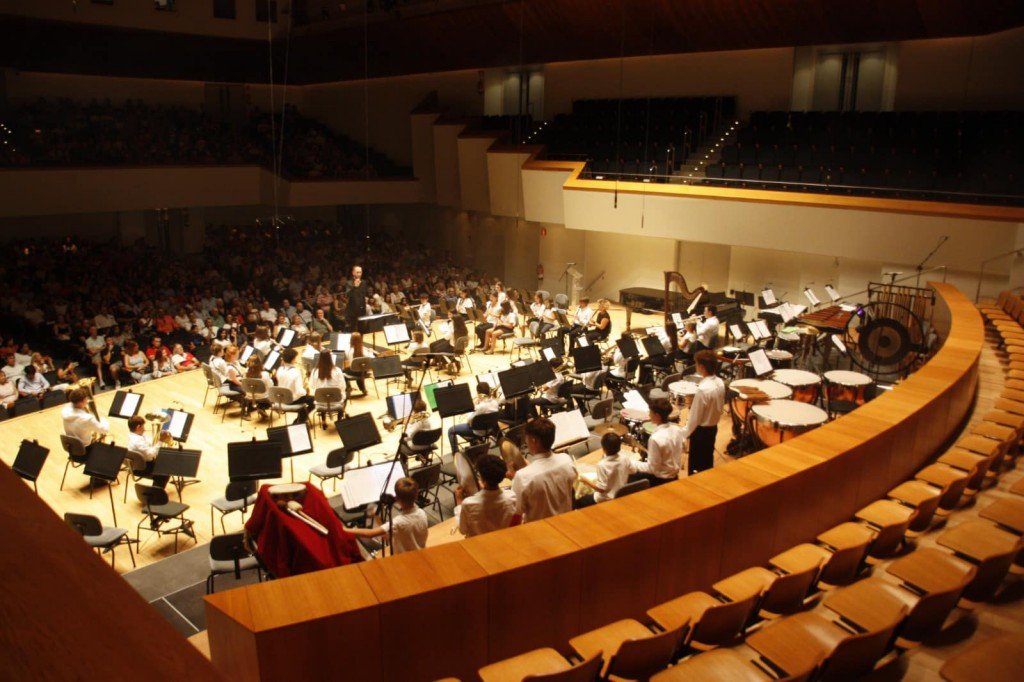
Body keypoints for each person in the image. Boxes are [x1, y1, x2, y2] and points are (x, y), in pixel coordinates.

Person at [510, 417, 576, 522]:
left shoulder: (522, 476)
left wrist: (515, 479)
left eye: (526, 438)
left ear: (533, 441)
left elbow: (516, 515)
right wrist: (527, 470)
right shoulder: (567, 460)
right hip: (566, 521)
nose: (525, 442)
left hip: (540, 529)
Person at [347, 477, 428, 555]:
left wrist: (345, 529)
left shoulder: (398, 522)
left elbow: (371, 533)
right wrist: (377, 517)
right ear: (416, 495)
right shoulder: (422, 513)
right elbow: (390, 535)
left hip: (402, 560)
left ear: (397, 499)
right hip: (419, 554)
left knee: (364, 541)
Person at [680, 350, 726, 474]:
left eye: (697, 364)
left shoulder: (703, 390)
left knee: (696, 467)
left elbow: (695, 418)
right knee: (707, 462)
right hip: (712, 428)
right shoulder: (720, 382)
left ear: (702, 367)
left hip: (700, 433)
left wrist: (684, 434)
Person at [454, 454, 517, 537]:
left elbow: (463, 530)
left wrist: (459, 501)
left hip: (480, 543)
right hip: (505, 540)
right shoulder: (512, 496)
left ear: (482, 477)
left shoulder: (468, 503)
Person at [627, 397, 684, 487]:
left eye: (650, 412)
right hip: (674, 475)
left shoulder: (655, 439)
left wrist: (631, 463)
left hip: (659, 480)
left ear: (657, 416)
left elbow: (652, 469)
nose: (649, 415)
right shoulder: (677, 429)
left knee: (627, 474)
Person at [575, 432, 631, 508]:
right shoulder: (625, 458)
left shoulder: (602, 465)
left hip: (606, 499)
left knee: (579, 502)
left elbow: (601, 489)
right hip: (620, 494)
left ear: (603, 448)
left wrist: (585, 481)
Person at [447, 381, 500, 453]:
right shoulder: (495, 402)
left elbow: (469, 421)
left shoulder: (480, 407)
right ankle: (476, 442)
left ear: (478, 393)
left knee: (451, 430)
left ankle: (456, 453)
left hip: (477, 431)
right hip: (490, 429)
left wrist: (472, 408)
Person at [126, 415, 169, 487]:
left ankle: (156, 488)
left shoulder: (133, 435)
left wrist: (157, 437)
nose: (144, 429)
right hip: (142, 468)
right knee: (166, 470)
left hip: (138, 463)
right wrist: (160, 441)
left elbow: (147, 442)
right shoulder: (137, 442)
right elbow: (151, 454)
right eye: (143, 427)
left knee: (164, 460)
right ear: (138, 427)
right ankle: (155, 491)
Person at [275, 348, 314, 424]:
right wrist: (305, 389)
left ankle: (299, 419)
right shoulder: (296, 372)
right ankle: (299, 421)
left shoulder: (279, 369)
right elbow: (299, 392)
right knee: (314, 401)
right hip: (292, 400)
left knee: (306, 400)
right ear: (293, 359)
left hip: (282, 399)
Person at [345, 265, 367, 331]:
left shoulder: (364, 282)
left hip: (361, 309)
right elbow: (348, 295)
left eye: (360, 272)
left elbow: (363, 295)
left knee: (362, 328)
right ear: (353, 273)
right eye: (357, 272)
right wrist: (355, 287)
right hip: (352, 310)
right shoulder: (349, 283)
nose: (359, 274)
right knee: (352, 329)